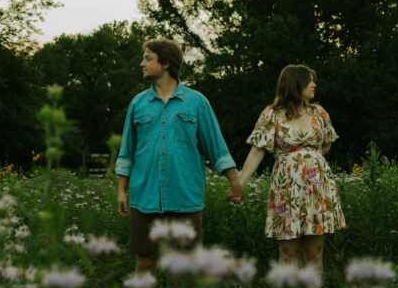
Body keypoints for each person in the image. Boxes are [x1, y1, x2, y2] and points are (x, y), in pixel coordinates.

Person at [115, 38, 244, 274]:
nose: (141, 63)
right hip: (145, 198)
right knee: (145, 262)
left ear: (165, 63)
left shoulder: (196, 103)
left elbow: (217, 147)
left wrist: (235, 182)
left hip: (184, 198)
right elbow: (127, 151)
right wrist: (121, 190)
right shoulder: (138, 104)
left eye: (148, 58)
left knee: (185, 268)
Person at [237, 64, 345, 273]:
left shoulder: (319, 113)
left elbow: (327, 143)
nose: (314, 84)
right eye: (309, 80)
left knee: (314, 250)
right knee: (289, 251)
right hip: (287, 188)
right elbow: (257, 151)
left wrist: (308, 162)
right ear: (296, 84)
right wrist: (240, 184)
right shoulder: (271, 115)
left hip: (316, 187)